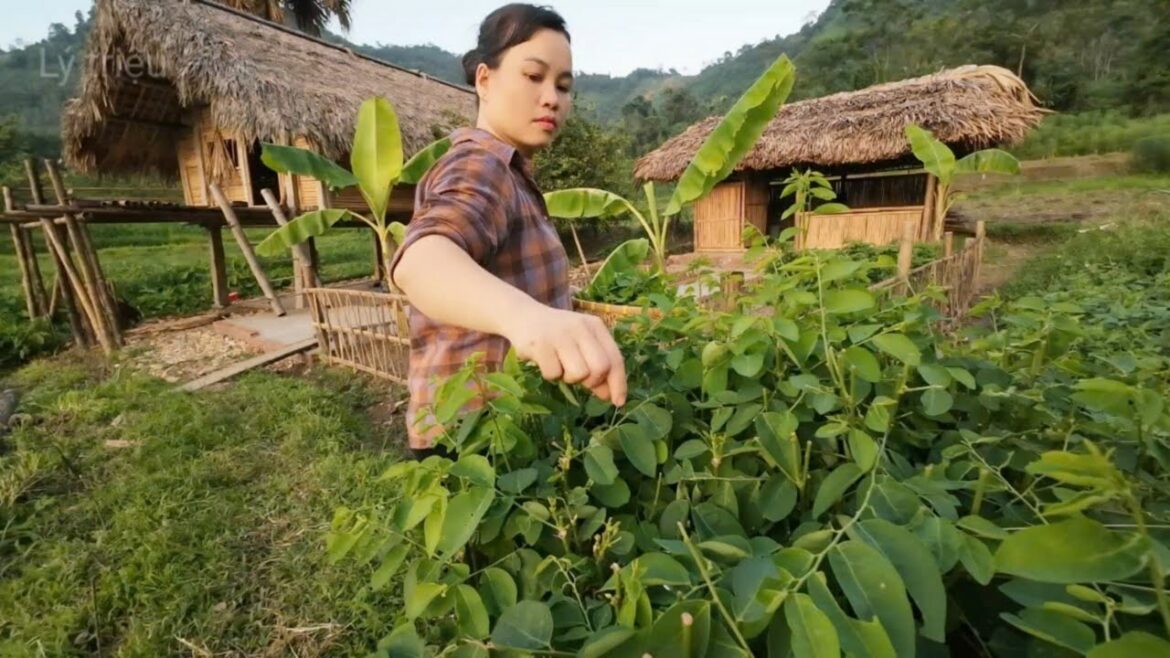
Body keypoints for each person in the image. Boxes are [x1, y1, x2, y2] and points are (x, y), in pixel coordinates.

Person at [390, 3, 628, 456]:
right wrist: (528, 318)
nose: (552, 98)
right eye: (533, 76)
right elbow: (422, 258)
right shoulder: (480, 164)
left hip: (504, 426)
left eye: (563, 85)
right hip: (471, 441)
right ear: (484, 79)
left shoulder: (514, 174)